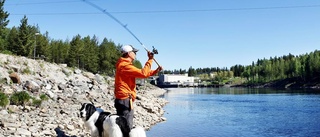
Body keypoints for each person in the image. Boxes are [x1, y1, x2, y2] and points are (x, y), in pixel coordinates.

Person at [114, 44, 162, 129]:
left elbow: (142, 73)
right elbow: (144, 73)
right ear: (129, 53)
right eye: (134, 52)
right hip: (125, 100)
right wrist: (150, 60)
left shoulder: (124, 65)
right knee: (126, 127)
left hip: (122, 99)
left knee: (122, 127)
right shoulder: (125, 66)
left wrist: (156, 71)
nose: (135, 54)